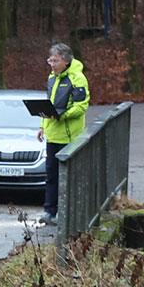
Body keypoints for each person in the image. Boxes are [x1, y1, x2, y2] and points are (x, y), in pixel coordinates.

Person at [37, 43, 91, 225]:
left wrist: (62, 115)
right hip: (52, 135)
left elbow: (81, 106)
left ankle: (66, 212)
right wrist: (43, 125)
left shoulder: (78, 78)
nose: (52, 65)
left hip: (69, 136)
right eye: (50, 61)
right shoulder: (51, 78)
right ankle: (49, 211)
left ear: (66, 61)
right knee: (51, 175)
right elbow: (49, 103)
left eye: (55, 61)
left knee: (68, 178)